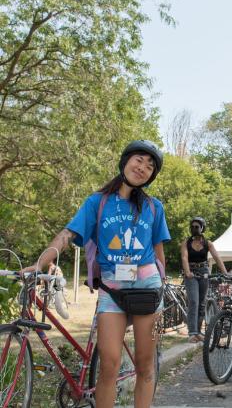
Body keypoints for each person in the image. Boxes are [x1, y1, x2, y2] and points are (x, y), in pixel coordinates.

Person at [22, 140, 171, 408]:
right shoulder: (97, 202)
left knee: (145, 364)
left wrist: (164, 286)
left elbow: (158, 251)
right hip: (111, 290)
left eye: (150, 167)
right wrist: (40, 262)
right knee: (109, 363)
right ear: (125, 162)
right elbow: (68, 234)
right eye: (139, 160)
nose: (143, 168)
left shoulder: (153, 207)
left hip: (148, 288)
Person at [181, 217, 230, 343]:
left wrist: (225, 272)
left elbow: (217, 258)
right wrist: (187, 272)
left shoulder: (208, 243)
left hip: (203, 271)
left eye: (197, 226)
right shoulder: (185, 242)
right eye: (192, 226)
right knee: (193, 302)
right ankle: (192, 333)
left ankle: (198, 332)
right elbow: (184, 258)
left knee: (202, 303)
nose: (194, 229)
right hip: (191, 272)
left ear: (202, 228)